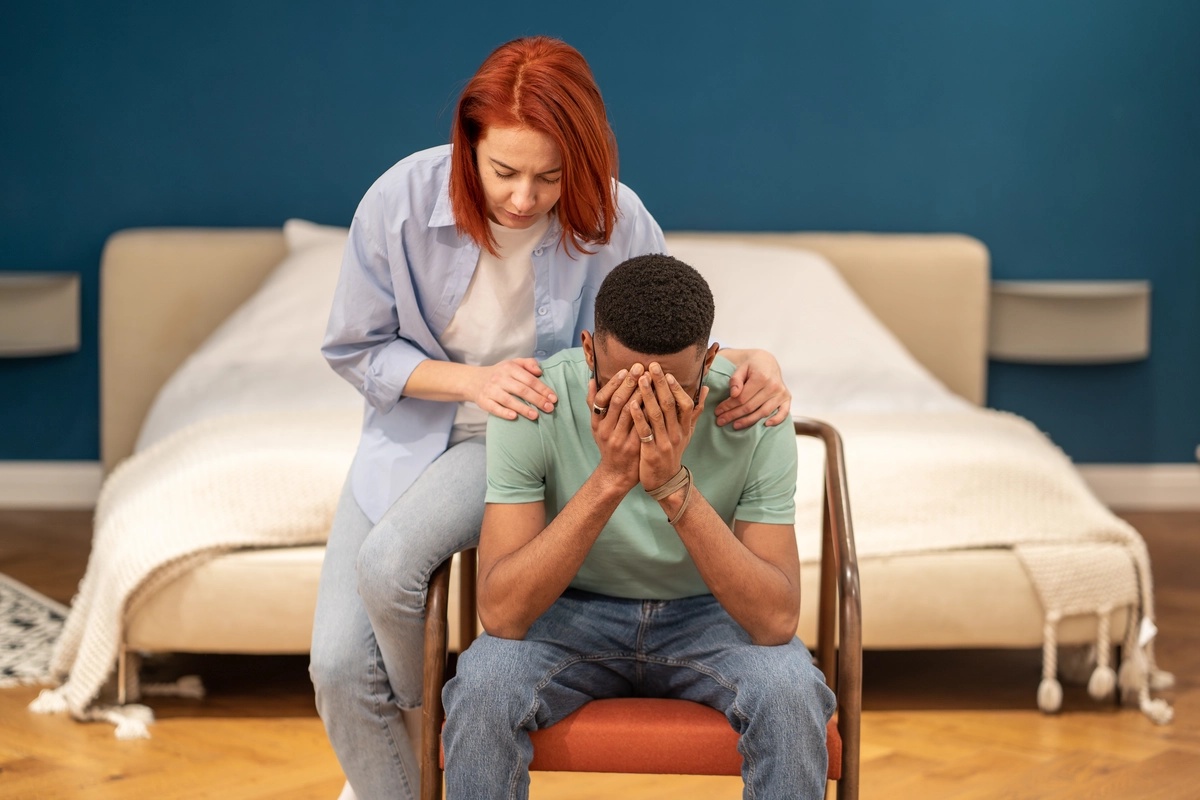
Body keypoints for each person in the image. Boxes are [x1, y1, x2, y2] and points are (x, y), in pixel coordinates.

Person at [311, 37, 794, 800]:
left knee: (388, 566)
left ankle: (425, 731)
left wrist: (750, 357)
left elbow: (663, 336)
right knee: (336, 667)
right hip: (415, 435)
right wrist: (472, 383)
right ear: (467, 142)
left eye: (550, 176)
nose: (523, 199)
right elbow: (355, 348)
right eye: (503, 171)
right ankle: (409, 747)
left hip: (533, 443)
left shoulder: (618, 216)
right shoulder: (399, 201)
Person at [442, 254, 836, 800]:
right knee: (484, 683)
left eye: (670, 388)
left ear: (710, 362)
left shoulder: (752, 414)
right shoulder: (532, 404)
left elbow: (774, 620)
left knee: (790, 689)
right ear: (587, 353)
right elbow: (503, 614)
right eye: (624, 384)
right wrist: (610, 479)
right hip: (569, 610)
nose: (646, 406)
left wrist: (674, 488)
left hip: (710, 615)